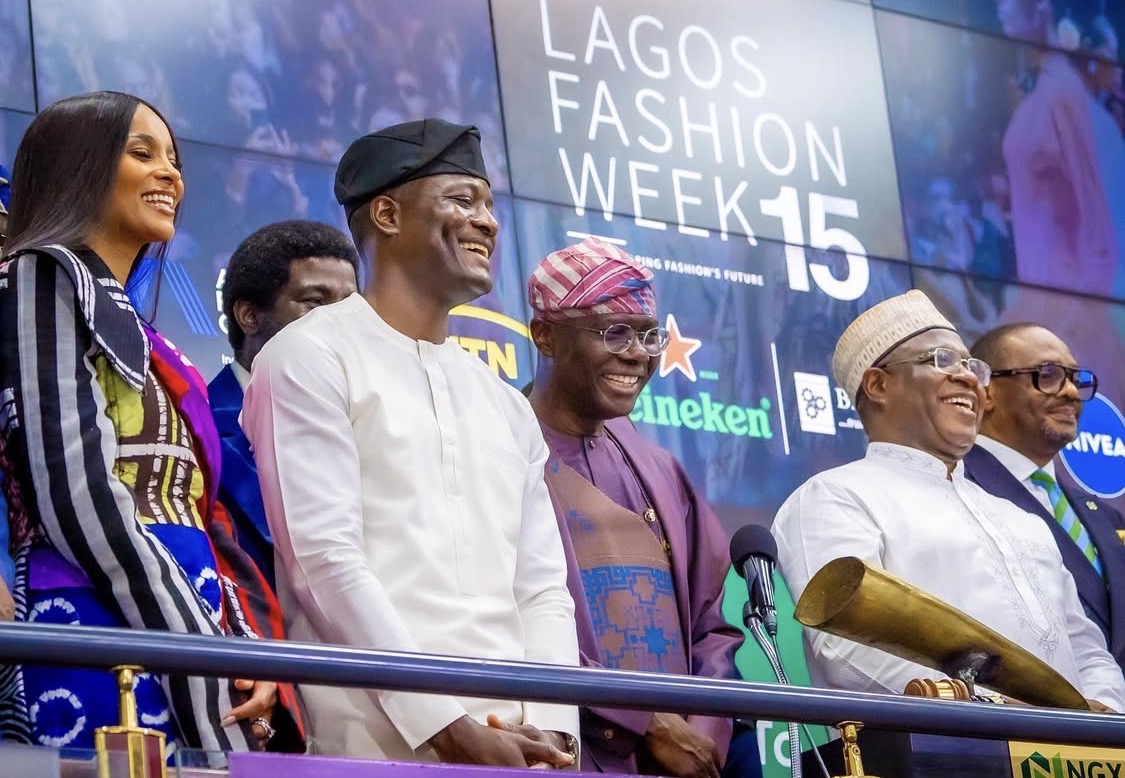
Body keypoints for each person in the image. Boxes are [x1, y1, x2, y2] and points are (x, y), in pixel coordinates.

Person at [241, 118, 580, 764]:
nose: (486, 221)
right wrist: (449, 727)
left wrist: (554, 730)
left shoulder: (504, 403)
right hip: (377, 745)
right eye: (460, 200)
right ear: (388, 214)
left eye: (488, 204)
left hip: (519, 745)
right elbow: (325, 563)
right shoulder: (308, 358)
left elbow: (541, 589)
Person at [0, 91, 300, 752]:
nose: (170, 174)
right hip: (98, 613)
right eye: (143, 154)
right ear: (79, 167)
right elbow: (78, 500)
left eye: (174, 159)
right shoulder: (39, 275)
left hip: (181, 609)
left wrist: (237, 644)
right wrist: (198, 648)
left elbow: (194, 514)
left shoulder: (142, 331)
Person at [771, 290, 1125, 711]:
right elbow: (848, 652)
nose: (969, 379)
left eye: (972, 366)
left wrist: (1100, 714)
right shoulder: (833, 498)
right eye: (941, 360)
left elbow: (1087, 649)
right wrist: (1000, 713)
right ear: (879, 384)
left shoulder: (1021, 518)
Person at [524, 237, 742, 777]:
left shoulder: (660, 470)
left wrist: (702, 734)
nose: (637, 353)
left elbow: (712, 629)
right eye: (612, 331)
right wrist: (645, 723)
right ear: (545, 335)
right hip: (560, 750)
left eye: (647, 334)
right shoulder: (498, 449)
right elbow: (504, 615)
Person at [966, 323, 1125, 668]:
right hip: (1028, 715)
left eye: (1074, 378)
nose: (1069, 391)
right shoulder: (955, 486)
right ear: (986, 391)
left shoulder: (1103, 516)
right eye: (1048, 375)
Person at [210, 220, 359, 588]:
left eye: (351, 306)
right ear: (249, 315)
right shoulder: (197, 428)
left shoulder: (378, 421)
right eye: (315, 302)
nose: (342, 323)